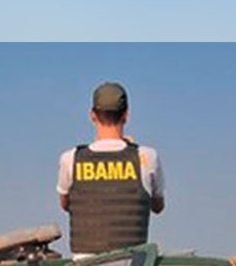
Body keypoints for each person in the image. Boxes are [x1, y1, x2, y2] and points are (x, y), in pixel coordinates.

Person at [57, 82, 165, 256]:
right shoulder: (147, 157)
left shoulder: (70, 159)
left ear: (93, 116)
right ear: (126, 115)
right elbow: (158, 206)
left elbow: (65, 204)